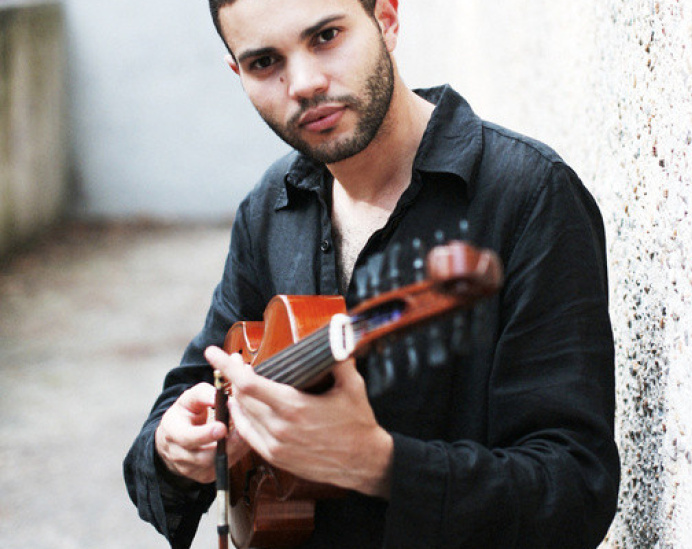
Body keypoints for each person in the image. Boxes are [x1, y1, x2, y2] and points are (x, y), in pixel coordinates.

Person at [123, 0, 620, 547]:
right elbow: (189, 393)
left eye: (326, 36)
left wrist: (378, 464)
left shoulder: (528, 197)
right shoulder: (270, 209)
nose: (305, 84)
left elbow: (575, 491)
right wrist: (176, 449)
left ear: (387, 18)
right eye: (265, 62)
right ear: (238, 73)